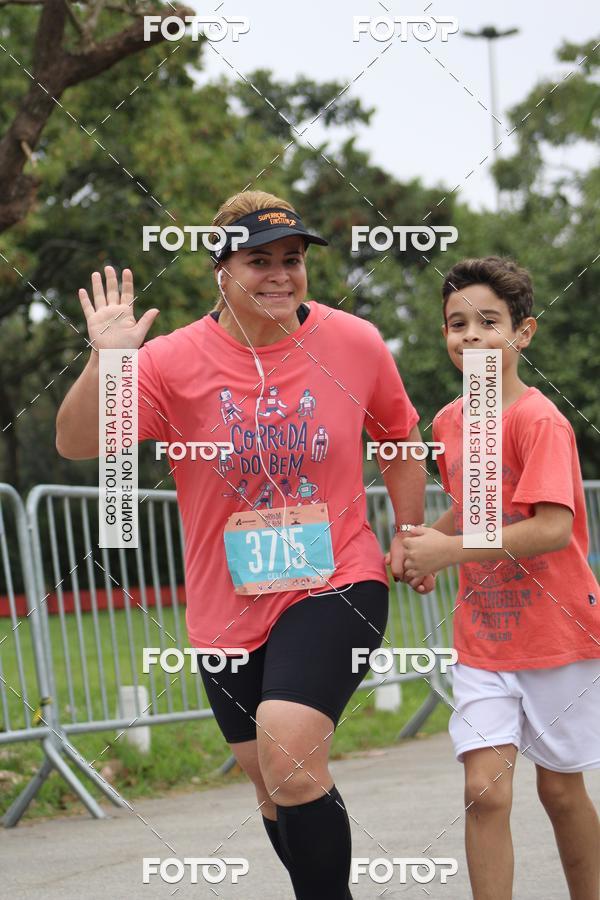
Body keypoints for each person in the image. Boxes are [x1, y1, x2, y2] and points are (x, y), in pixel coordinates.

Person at [55, 190, 433, 899]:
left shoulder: (353, 341)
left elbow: (400, 436)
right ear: (220, 270)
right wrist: (109, 362)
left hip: (338, 579)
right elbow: (78, 442)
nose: (281, 275)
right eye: (260, 261)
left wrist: (408, 534)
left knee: (288, 754)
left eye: (293, 259)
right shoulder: (171, 361)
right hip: (225, 604)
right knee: (275, 782)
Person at [395, 256, 600, 900]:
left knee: (561, 791)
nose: (473, 336)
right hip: (483, 640)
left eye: (490, 321)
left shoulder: (540, 422)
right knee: (483, 792)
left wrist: (449, 553)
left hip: (555, 635)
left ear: (524, 332)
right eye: (457, 324)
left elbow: (549, 529)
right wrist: (425, 543)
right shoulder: (449, 423)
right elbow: (475, 506)